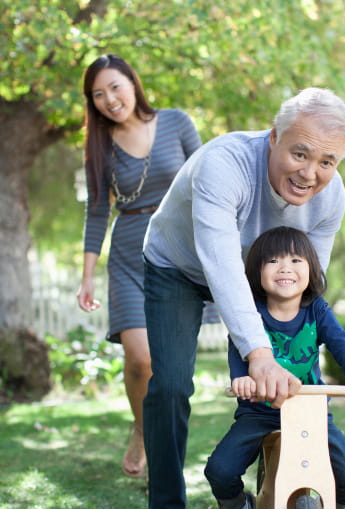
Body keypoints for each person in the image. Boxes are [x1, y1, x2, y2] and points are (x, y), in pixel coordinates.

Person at [142, 87, 345, 509]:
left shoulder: (331, 196)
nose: (310, 173)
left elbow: (305, 287)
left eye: (326, 162)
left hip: (258, 276)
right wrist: (258, 352)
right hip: (179, 266)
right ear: (274, 137)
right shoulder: (226, 163)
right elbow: (220, 265)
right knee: (173, 384)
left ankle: (274, 479)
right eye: (300, 153)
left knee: (280, 377)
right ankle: (165, 507)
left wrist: (288, 363)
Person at [204, 226, 345, 509]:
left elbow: (341, 342)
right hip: (259, 410)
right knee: (220, 470)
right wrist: (241, 379)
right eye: (273, 260)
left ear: (311, 268)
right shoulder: (250, 314)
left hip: (309, 410)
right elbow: (238, 348)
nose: (285, 267)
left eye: (296, 259)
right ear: (257, 272)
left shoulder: (317, 310)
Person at [76, 53, 207, 479]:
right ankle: (140, 427)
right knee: (139, 359)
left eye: (115, 86)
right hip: (129, 255)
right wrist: (87, 275)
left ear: (132, 82)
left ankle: (155, 436)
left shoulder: (177, 122)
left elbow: (208, 180)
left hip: (177, 251)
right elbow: (97, 212)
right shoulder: (98, 147)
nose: (109, 99)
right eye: (98, 94)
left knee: (167, 366)